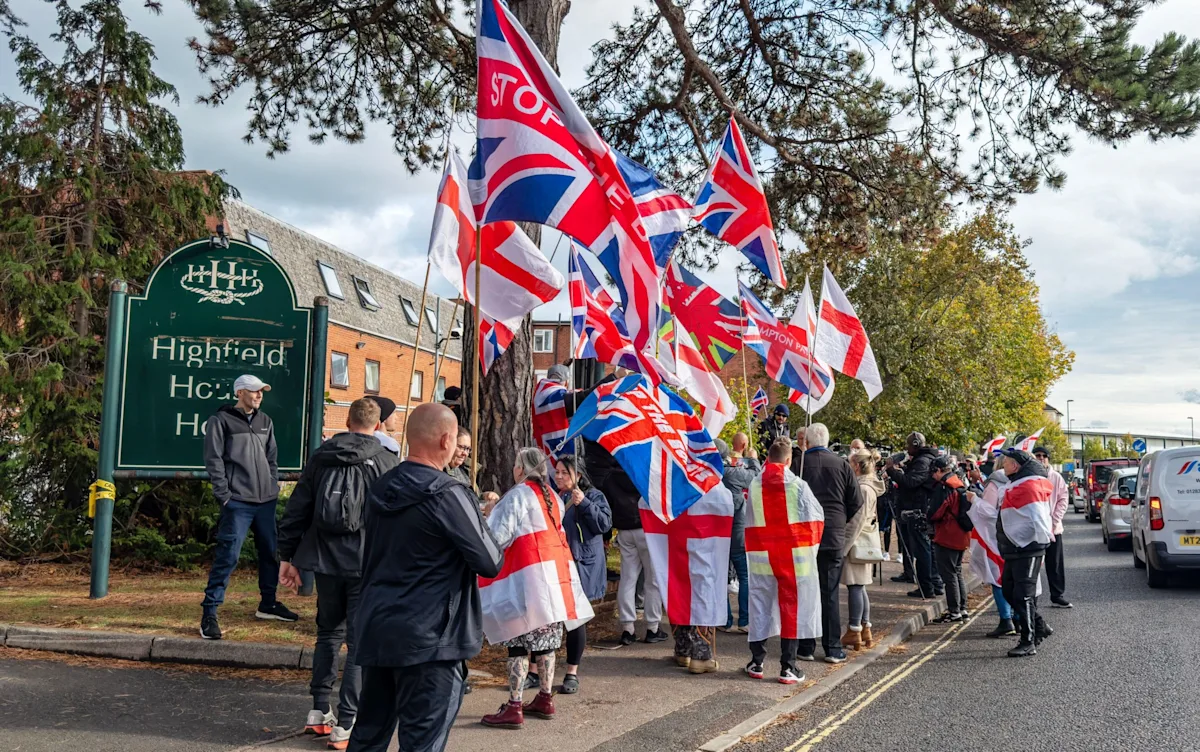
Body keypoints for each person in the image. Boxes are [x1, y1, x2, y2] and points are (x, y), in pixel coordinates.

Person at [349, 403, 503, 751]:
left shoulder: (381, 486)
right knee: (422, 741)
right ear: (447, 439)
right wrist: (484, 521)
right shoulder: (448, 493)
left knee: (368, 734)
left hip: (378, 625)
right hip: (432, 636)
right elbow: (489, 560)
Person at [275, 398, 399, 748]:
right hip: (365, 560)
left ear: (347, 421)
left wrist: (288, 555)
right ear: (377, 426)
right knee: (360, 642)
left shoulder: (320, 457)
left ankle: (318, 711)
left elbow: (298, 507)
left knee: (328, 632)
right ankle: (348, 721)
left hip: (324, 558)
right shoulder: (386, 461)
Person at [480, 448, 594, 729]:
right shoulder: (553, 496)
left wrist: (486, 519)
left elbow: (498, 537)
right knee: (546, 645)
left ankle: (515, 705)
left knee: (518, 645)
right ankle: (545, 697)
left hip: (525, 580)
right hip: (552, 581)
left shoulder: (517, 496)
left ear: (520, 469)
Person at [200, 374, 296, 639]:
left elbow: (272, 457)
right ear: (240, 392)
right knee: (228, 556)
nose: (259, 396)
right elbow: (214, 460)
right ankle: (209, 612)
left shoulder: (266, 421)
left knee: (269, 553)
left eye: (261, 392)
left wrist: (272, 485)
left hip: (265, 501)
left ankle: (268, 604)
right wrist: (225, 496)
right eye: (254, 391)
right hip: (238, 503)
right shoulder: (220, 421)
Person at [745, 438, 824, 684]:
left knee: (760, 606)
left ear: (768, 458)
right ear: (789, 460)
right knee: (792, 608)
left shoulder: (755, 484)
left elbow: (749, 520)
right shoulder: (798, 485)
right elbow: (815, 520)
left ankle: (756, 662)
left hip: (761, 556)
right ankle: (788, 667)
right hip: (794, 559)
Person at [797, 423, 862, 664]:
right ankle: (833, 648)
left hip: (805, 534)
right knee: (830, 593)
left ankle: (805, 646)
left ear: (808, 441)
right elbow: (855, 501)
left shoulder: (799, 464)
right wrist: (840, 519)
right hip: (833, 534)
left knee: (805, 591)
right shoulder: (842, 464)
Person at [546, 455, 611, 694]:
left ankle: (572, 672)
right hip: (559, 562)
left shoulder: (593, 496)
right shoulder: (557, 496)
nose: (559, 476)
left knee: (575, 619)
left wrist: (584, 503)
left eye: (565, 472)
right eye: (557, 471)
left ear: (578, 476)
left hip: (581, 564)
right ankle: (537, 669)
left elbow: (603, 525)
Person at [995, 448, 1055, 658]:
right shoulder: (1015, 484)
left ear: (1016, 466)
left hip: (1029, 547)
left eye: (1007, 461)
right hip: (1014, 547)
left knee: (1023, 594)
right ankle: (1040, 626)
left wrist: (1043, 544)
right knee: (1009, 591)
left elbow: (1038, 517)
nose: (1003, 464)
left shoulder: (1028, 486)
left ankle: (1028, 640)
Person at [886, 432, 942, 598]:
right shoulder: (922, 460)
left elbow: (911, 482)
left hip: (918, 510)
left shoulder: (922, 461)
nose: (907, 449)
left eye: (909, 445)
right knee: (928, 548)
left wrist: (891, 470)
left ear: (916, 444)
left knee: (923, 549)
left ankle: (927, 587)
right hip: (921, 508)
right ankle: (934, 584)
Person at [968, 465, 1018, 638]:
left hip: (996, 537)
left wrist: (974, 499)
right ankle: (1019, 618)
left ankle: (1006, 620)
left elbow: (988, 511)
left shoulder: (995, 483)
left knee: (997, 577)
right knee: (1017, 578)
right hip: (1019, 535)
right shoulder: (1023, 481)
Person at [716, 436, 759, 633]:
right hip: (737, 531)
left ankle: (724, 620)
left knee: (720, 577)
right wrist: (754, 458)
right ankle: (744, 620)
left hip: (717, 532)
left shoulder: (711, 473)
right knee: (744, 575)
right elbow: (756, 476)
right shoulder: (732, 472)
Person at [842, 449, 882, 650]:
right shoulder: (868, 485)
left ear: (856, 466)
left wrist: (844, 547)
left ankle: (854, 628)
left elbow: (857, 521)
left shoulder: (863, 488)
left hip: (857, 543)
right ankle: (865, 627)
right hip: (864, 541)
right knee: (860, 586)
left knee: (855, 586)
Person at [928, 456, 971, 623]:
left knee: (949, 575)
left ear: (939, 471)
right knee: (957, 572)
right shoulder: (960, 482)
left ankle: (954, 611)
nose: (932, 476)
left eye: (933, 472)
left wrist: (928, 517)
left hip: (948, 534)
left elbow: (936, 511)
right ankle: (962, 609)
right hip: (961, 534)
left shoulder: (945, 487)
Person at [1034, 446, 1073, 609]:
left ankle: (1057, 595)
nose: (1041, 458)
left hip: (1053, 527)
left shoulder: (1055, 477)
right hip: (1035, 529)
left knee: (1054, 563)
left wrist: (1054, 520)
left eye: (1044, 456)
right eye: (1038, 455)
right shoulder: (1029, 477)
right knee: (1033, 565)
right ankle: (1031, 598)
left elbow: (1063, 499)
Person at [532, 364, 571, 462]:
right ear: (566, 382)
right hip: (556, 447)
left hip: (541, 444)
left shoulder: (542, 392)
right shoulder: (558, 396)